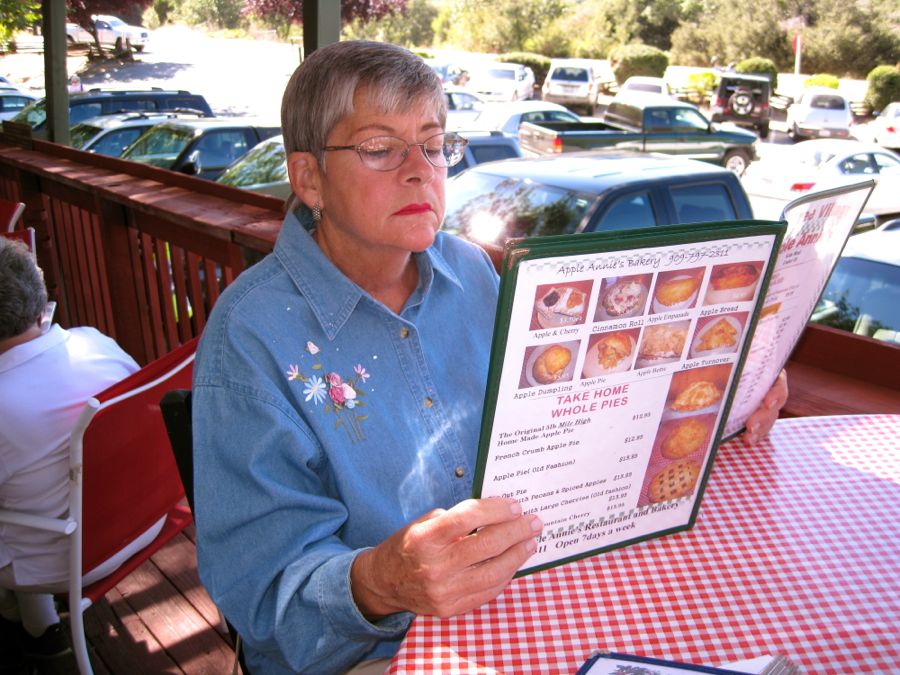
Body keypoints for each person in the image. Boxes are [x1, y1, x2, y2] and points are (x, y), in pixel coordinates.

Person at [191, 40, 788, 675]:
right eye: (378, 148)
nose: (420, 170)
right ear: (309, 177)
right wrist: (381, 581)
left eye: (432, 143)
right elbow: (261, 597)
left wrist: (722, 381)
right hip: (370, 654)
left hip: (518, 597)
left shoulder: (470, 268)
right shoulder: (250, 338)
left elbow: (569, 407)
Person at [0, 237, 145, 670]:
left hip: (65, 561)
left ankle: (30, 623)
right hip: (142, 521)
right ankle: (38, 626)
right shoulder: (93, 343)